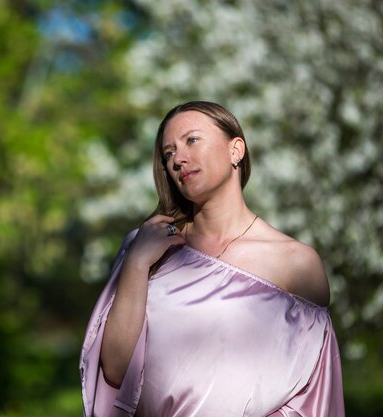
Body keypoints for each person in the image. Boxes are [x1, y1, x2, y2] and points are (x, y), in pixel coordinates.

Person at [80, 101, 344, 417]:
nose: (178, 158)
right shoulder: (144, 247)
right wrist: (137, 264)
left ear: (236, 151)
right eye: (168, 153)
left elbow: (311, 398)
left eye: (192, 140)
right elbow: (115, 369)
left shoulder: (296, 264)